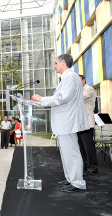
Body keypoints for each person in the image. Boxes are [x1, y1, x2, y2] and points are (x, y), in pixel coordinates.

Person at [31, 54, 88, 193]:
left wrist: (42, 99)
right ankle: (71, 179)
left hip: (68, 122)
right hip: (65, 122)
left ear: (63, 62)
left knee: (72, 153)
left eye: (56, 63)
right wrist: (40, 101)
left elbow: (62, 98)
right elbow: (60, 98)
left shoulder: (70, 77)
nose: (54, 65)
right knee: (66, 154)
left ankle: (77, 182)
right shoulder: (66, 78)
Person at [78, 75, 98, 176]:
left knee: (89, 147)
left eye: (78, 80)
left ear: (84, 80)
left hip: (87, 124)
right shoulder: (79, 90)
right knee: (81, 147)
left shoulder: (89, 89)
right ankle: (85, 165)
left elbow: (79, 99)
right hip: (79, 124)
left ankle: (93, 167)